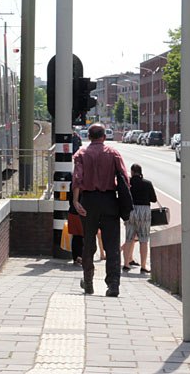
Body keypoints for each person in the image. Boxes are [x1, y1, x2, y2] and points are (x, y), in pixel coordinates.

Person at [73, 122, 130, 297]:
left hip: (88, 201)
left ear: (88, 137)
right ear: (104, 137)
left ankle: (88, 282)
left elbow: (77, 178)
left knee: (88, 242)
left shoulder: (81, 154)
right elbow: (125, 179)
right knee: (112, 245)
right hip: (109, 201)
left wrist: (76, 201)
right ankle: (113, 285)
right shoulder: (113, 153)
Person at [121, 163, 157, 274]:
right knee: (144, 240)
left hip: (131, 210)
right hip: (144, 212)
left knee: (128, 238)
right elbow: (154, 199)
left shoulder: (128, 183)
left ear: (132, 172)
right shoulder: (147, 183)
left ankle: (126, 264)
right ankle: (143, 266)